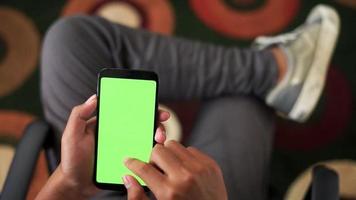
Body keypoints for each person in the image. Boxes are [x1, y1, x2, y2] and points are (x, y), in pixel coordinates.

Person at [36, 4, 339, 200]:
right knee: (241, 97)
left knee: (71, 37)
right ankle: (273, 73)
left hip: (92, 190)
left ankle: (272, 72)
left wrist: (69, 184)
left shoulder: (76, 182)